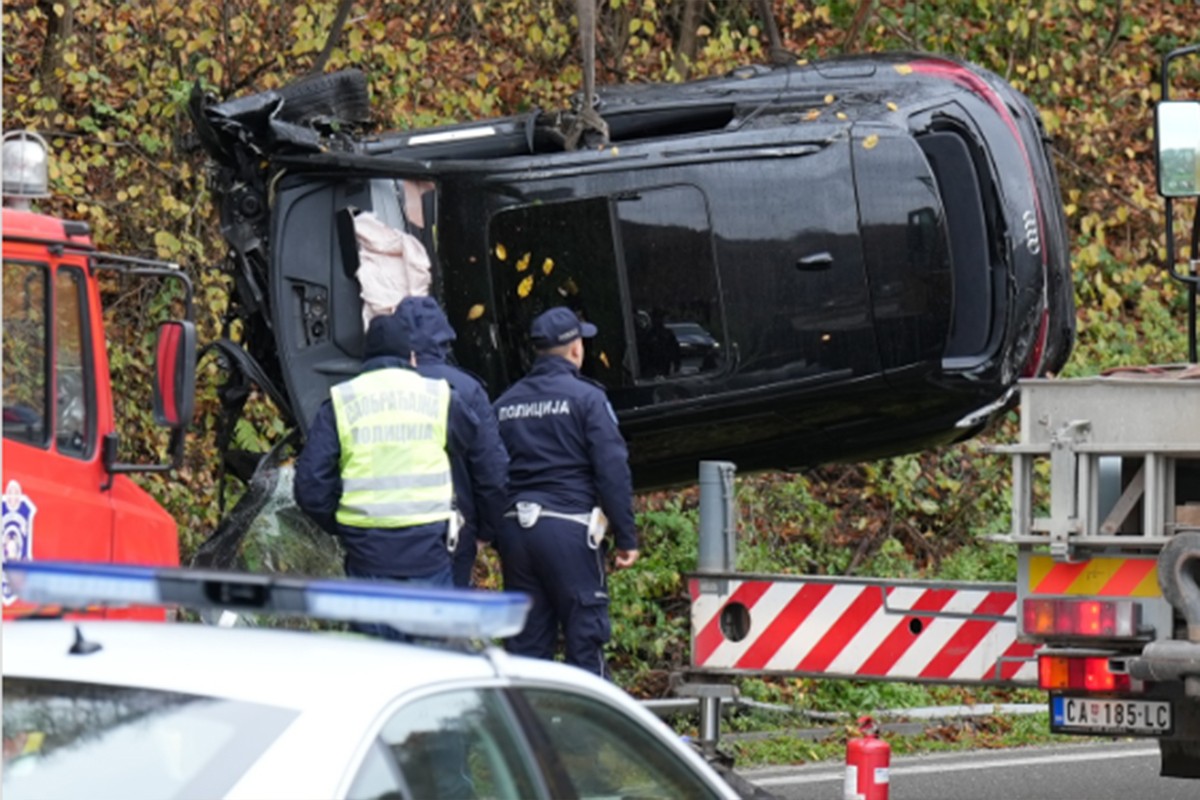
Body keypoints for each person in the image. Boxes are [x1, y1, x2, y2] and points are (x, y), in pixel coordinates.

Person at [293, 310, 507, 638]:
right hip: (429, 555)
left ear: (366, 359)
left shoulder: (341, 401)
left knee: (382, 667)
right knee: (432, 666)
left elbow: (310, 485)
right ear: (411, 356)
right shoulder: (439, 396)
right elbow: (467, 440)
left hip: (368, 558)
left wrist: (342, 524)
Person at [493, 306, 639, 678]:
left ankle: (526, 732)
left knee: (525, 650)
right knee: (584, 640)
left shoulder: (504, 404)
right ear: (575, 349)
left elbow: (488, 471)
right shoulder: (587, 398)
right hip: (568, 530)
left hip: (514, 533)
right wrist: (626, 536)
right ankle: (583, 733)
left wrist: (491, 531)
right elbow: (612, 469)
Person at [394, 295, 508, 587]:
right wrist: (486, 531)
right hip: (452, 530)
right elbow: (492, 471)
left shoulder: (376, 389)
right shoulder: (467, 390)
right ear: (445, 338)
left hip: (386, 534)